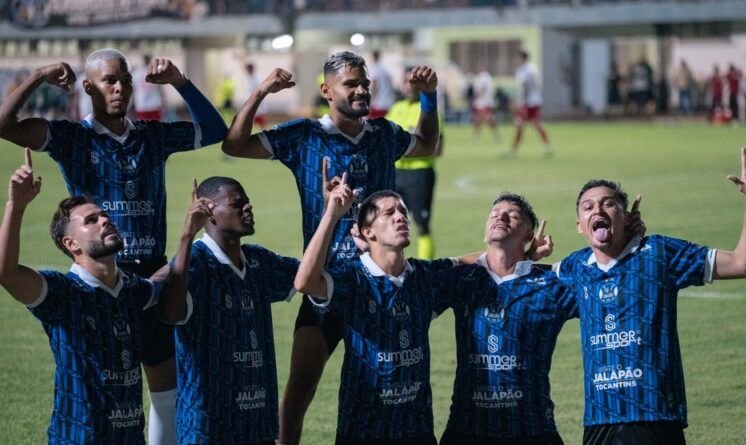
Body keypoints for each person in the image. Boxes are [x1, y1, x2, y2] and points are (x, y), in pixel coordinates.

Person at [0, 48, 227, 444]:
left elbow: (214, 130)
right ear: (88, 88)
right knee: (103, 386)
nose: (120, 88)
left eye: (125, 80)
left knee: (167, 394)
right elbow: (4, 124)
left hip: (150, 279)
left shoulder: (151, 136)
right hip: (100, 277)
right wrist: (38, 74)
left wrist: (179, 81)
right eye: (109, 81)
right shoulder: (71, 137)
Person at [221, 50, 440, 445]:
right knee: (299, 392)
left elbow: (426, 144)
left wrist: (429, 97)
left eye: (364, 83)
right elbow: (234, 145)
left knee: (389, 386)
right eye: (350, 84)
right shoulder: (304, 136)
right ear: (326, 90)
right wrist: (262, 91)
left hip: (377, 287)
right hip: (327, 285)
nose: (361, 90)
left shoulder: (384, 134)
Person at [554, 149, 746, 445]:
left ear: (626, 216)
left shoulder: (659, 254)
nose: (597, 210)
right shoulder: (574, 268)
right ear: (579, 225)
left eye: (608, 203)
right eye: (587, 207)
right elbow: (515, 277)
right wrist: (528, 254)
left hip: (654, 415)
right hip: (599, 421)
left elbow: (743, 264)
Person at [0, 149, 199, 444]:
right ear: (71, 243)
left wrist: (189, 236)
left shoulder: (131, 290)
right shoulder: (61, 293)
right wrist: (15, 206)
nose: (105, 220)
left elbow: (161, 280)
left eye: (104, 215)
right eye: (91, 220)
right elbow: (7, 274)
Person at [293, 184, 457, 445]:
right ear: (368, 232)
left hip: (418, 431)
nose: (400, 217)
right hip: (362, 431)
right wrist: (331, 216)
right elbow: (305, 283)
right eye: (389, 213)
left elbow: (472, 263)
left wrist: (519, 253)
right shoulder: (351, 278)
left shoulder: (424, 276)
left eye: (403, 211)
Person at [165, 177, 300, 445]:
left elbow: (309, 276)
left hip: (258, 424)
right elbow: (170, 313)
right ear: (209, 212)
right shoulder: (195, 263)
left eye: (247, 202)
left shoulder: (259, 261)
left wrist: (330, 215)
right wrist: (186, 236)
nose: (248, 208)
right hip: (207, 428)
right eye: (237, 204)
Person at [436, 194, 576, 445]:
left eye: (512, 215)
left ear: (529, 235)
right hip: (467, 429)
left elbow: (601, 274)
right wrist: (526, 257)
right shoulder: (462, 279)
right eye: (493, 214)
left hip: (532, 428)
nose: (500, 217)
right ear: (485, 233)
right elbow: (407, 273)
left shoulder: (550, 285)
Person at [387, 67, 443, 260]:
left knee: (421, 224)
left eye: (413, 81)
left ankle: (425, 269)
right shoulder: (395, 109)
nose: (409, 86)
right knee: (388, 223)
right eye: (406, 81)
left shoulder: (430, 111)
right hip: (395, 174)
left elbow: (437, 148)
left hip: (420, 174)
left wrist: (404, 149)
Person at [511, 50, 551, 156]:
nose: (516, 60)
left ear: (522, 58)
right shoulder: (522, 70)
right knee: (520, 124)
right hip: (527, 101)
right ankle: (514, 149)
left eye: (518, 58)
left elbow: (528, 86)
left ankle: (547, 146)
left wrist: (522, 103)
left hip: (531, 101)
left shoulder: (529, 70)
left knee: (535, 124)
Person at [133, 54, 166, 121]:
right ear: (150, 60)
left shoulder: (136, 73)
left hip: (141, 106)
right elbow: (160, 89)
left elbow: (133, 89)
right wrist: (164, 102)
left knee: (143, 126)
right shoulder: (155, 72)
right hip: (155, 104)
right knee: (157, 125)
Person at [471, 66, 500, 142]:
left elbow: (484, 87)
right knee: (479, 119)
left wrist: (479, 95)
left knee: (484, 118)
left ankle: (494, 135)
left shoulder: (484, 77)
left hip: (483, 102)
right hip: (483, 102)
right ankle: (494, 135)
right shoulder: (483, 77)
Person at [368, 50, 396, 119]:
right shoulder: (386, 70)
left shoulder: (374, 69)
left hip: (378, 105)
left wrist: (370, 103)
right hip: (389, 104)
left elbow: (374, 87)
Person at [245, 62, 269, 130]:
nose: (248, 71)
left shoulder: (257, 78)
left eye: (249, 69)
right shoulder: (250, 79)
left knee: (259, 117)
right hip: (251, 102)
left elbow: (260, 91)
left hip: (257, 102)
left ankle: (264, 131)